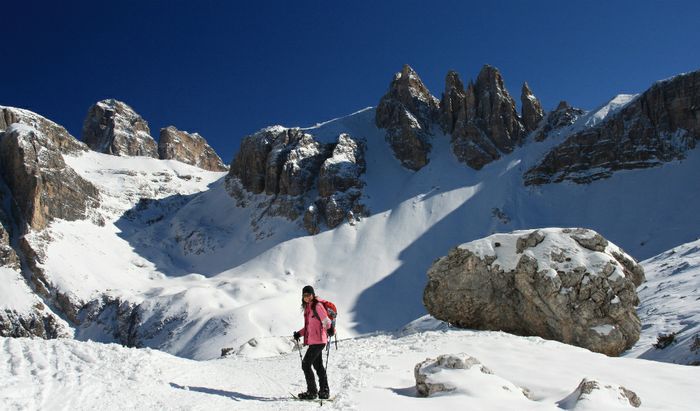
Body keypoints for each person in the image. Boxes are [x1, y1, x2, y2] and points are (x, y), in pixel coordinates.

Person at [293, 285, 331, 400]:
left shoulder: (317, 305)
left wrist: (328, 328)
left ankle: (312, 392)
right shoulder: (308, 308)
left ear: (313, 295)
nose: (307, 297)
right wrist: (299, 333)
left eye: (309, 294)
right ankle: (324, 391)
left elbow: (326, 321)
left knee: (306, 364)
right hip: (314, 341)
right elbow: (309, 327)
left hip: (319, 341)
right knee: (318, 366)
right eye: (304, 295)